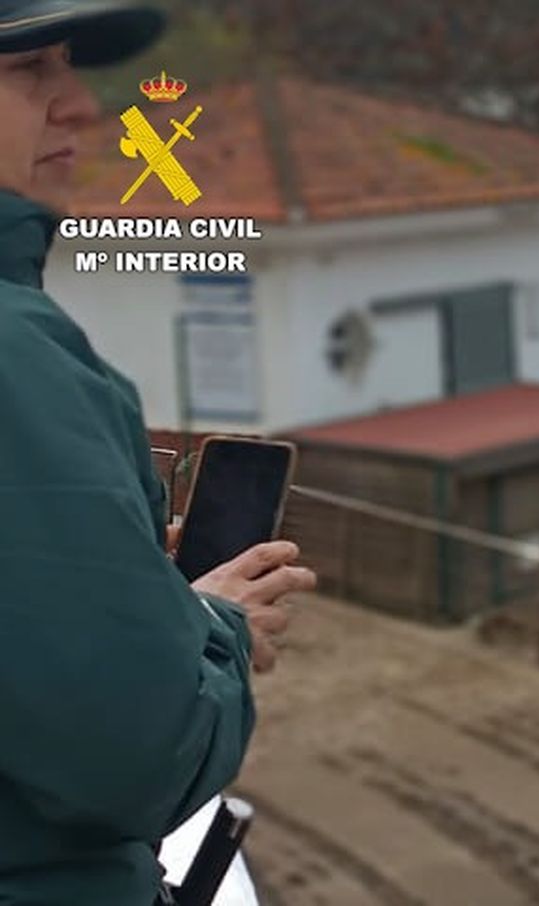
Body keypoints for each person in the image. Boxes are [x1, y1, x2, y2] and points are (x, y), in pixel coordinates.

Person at [0, 3, 316, 903]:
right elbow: (135, 756)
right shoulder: (14, 356)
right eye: (29, 69)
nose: (80, 105)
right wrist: (216, 629)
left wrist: (128, 596)